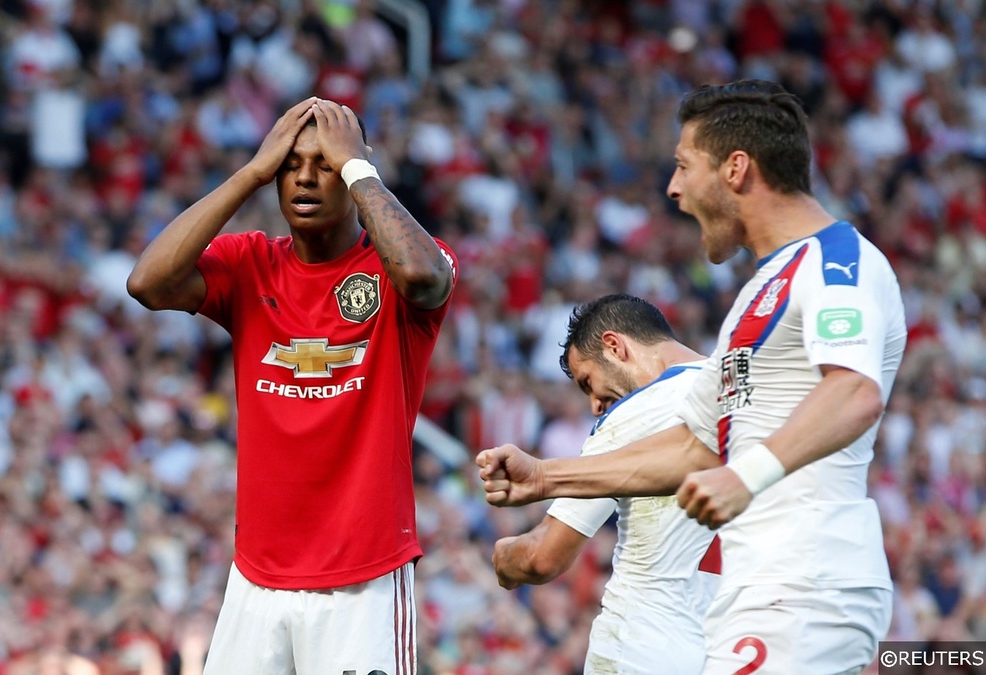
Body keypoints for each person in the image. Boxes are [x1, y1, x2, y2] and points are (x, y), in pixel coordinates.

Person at [478, 79, 907, 674]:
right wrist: (547, 476)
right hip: (748, 597)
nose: (673, 188)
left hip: (805, 584)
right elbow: (692, 448)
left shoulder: (838, 264)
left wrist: (745, 475)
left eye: (684, 166)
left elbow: (854, 392)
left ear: (736, 168)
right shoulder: (758, 296)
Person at [127, 97, 457, 675]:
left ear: (357, 169)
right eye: (289, 164)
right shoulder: (248, 263)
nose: (304, 177)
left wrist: (358, 170)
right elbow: (148, 283)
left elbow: (426, 280)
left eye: (324, 163)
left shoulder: (403, 264)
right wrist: (252, 171)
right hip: (256, 577)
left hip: (364, 577)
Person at [491, 293, 721, 674]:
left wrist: (503, 556)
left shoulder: (635, 412)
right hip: (738, 649)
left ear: (615, 346)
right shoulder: (743, 392)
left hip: (643, 647)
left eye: (588, 382)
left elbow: (541, 557)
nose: (595, 405)